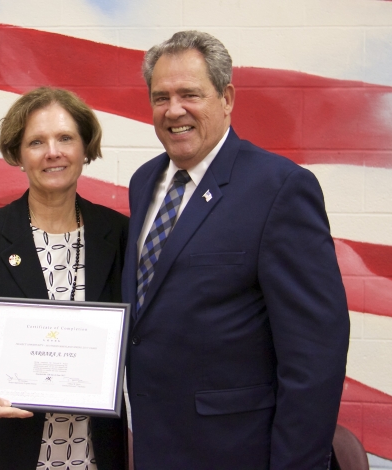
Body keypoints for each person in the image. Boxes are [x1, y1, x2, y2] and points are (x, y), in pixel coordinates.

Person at [121, 31, 350, 469]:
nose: (174, 110)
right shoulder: (143, 182)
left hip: (239, 451)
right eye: (161, 97)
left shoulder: (279, 188)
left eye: (190, 94)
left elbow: (315, 355)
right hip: (156, 446)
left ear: (226, 98)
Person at [0, 87, 129, 470]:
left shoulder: (118, 235)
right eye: (37, 141)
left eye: (65, 138)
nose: (53, 152)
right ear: (18, 154)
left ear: (85, 147)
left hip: (93, 453)